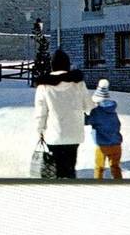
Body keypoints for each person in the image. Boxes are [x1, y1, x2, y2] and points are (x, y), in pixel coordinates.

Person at [34, 48, 95, 179]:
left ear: (53, 65)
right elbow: (89, 106)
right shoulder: (78, 83)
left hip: (54, 134)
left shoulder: (44, 86)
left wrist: (39, 130)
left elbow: (41, 113)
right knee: (70, 168)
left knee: (56, 171)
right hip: (74, 133)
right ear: (68, 64)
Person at [85, 79, 123, 180]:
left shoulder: (96, 112)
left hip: (102, 146)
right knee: (115, 167)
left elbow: (86, 121)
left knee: (99, 168)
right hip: (116, 145)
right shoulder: (113, 112)